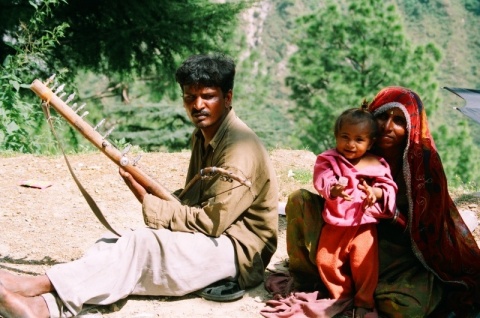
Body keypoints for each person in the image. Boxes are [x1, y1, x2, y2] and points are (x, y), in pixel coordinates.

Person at [0, 53, 279, 317]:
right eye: (190, 97)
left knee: (142, 243)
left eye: (208, 96)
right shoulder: (204, 135)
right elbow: (192, 202)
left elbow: (210, 222)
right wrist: (146, 193)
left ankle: (37, 293)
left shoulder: (239, 147)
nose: (197, 105)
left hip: (239, 255)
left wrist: (148, 202)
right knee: (110, 245)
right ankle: (47, 303)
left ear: (227, 98)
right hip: (216, 240)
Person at [261, 86, 480, 318]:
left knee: (408, 308)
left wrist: (385, 206)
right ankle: (311, 278)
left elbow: (428, 234)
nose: (388, 126)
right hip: (339, 231)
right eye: (383, 116)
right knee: (299, 200)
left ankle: (360, 291)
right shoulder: (350, 150)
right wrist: (337, 192)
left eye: (398, 120)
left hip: (394, 255)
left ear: (411, 127)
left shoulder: (424, 166)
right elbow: (325, 177)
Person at [313, 107, 397, 317]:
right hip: (336, 224)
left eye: (359, 139)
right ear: (336, 136)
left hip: (363, 225)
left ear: (371, 142)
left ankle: (363, 301)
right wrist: (333, 188)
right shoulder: (329, 159)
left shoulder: (376, 164)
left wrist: (375, 193)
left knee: (365, 265)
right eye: (345, 137)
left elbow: (389, 187)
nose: (350, 144)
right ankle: (342, 296)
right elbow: (321, 178)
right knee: (326, 261)